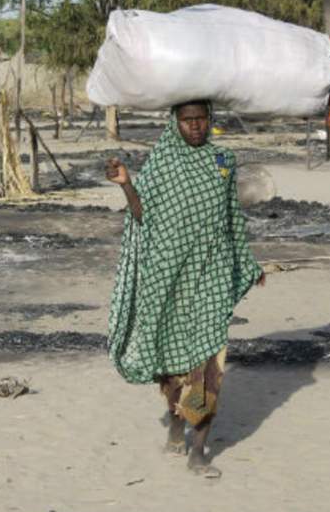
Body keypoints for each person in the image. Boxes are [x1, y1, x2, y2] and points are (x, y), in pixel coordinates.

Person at [106, 100, 264, 479]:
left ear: (211, 120)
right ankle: (176, 426)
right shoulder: (162, 162)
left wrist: (247, 261)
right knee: (173, 364)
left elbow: (232, 219)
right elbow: (143, 214)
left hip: (211, 275)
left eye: (201, 119)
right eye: (187, 120)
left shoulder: (223, 160)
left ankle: (198, 449)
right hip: (169, 278)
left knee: (209, 365)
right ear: (174, 122)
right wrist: (127, 184)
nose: (195, 126)